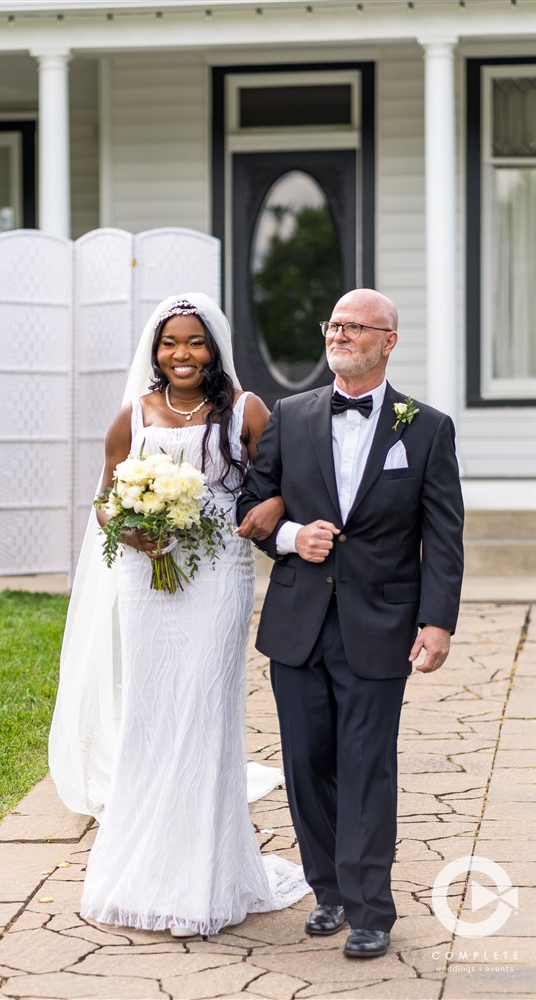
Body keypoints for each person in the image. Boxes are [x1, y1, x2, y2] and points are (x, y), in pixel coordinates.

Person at [49, 292, 310, 939]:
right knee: (152, 709)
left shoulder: (245, 411)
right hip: (145, 578)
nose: (181, 354)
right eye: (171, 343)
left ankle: (206, 875)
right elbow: (105, 499)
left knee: (203, 709)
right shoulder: (131, 416)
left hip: (217, 575)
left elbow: (282, 479)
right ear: (155, 351)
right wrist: (128, 526)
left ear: (213, 348)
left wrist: (271, 508)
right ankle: (142, 869)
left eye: (194, 342)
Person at [237, 288, 464, 958]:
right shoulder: (290, 414)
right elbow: (253, 501)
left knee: (366, 764)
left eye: (355, 327)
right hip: (298, 623)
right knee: (307, 764)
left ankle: (371, 908)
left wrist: (437, 621)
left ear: (387, 341)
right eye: (334, 325)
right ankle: (327, 890)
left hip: (381, 622)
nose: (339, 335)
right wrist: (288, 537)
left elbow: (442, 535)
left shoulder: (425, 427)